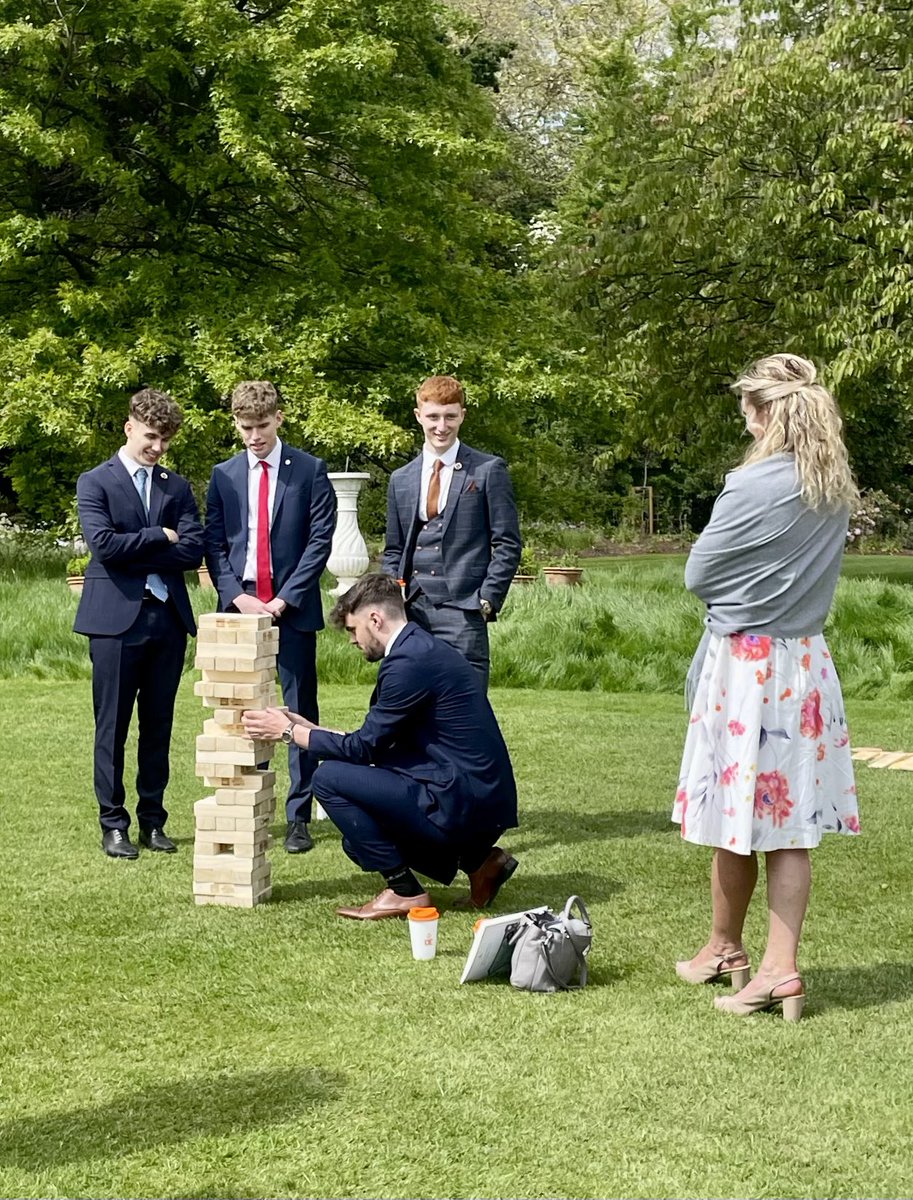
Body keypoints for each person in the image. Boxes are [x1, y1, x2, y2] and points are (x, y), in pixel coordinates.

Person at [673, 353, 860, 1021]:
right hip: (804, 663)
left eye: (743, 411)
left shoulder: (750, 486)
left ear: (760, 416)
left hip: (746, 666)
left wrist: (738, 599)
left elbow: (698, 574)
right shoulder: (830, 485)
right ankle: (724, 947)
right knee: (788, 823)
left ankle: (777, 968)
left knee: (744, 817)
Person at [241, 574, 519, 919]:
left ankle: (405, 891)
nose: (353, 642)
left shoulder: (408, 663)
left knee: (328, 780)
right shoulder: (419, 648)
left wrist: (287, 733)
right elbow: (376, 742)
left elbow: (364, 749)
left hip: (463, 799)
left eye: (352, 630)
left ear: (375, 619)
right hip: (474, 795)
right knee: (356, 841)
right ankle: (481, 862)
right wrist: (310, 729)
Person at [204, 381, 336, 854]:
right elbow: (214, 544)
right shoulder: (223, 475)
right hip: (240, 612)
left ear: (278, 419)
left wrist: (283, 599)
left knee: (299, 707)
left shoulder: (310, 471)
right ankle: (245, 802)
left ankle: (299, 815)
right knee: (242, 709)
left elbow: (320, 541)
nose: (254, 436)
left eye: (261, 426)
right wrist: (238, 598)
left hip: (292, 610)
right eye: (245, 428)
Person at [74, 388, 204, 858]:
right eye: (151, 436)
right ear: (129, 427)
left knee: (158, 726)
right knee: (111, 727)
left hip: (167, 619)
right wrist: (159, 535)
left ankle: (153, 821)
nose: (158, 447)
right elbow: (104, 546)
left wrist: (149, 543)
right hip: (114, 622)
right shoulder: (95, 482)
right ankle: (113, 824)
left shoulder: (177, 486)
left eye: (166, 440)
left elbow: (194, 549)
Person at [383, 374, 522, 689]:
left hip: (464, 609)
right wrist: (392, 595)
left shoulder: (488, 470)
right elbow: (393, 549)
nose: (441, 426)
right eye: (433, 417)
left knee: (466, 708)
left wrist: (486, 599)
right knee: (411, 706)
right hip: (410, 612)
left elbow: (508, 544)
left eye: (450, 417)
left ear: (462, 415)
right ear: (419, 416)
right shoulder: (401, 479)